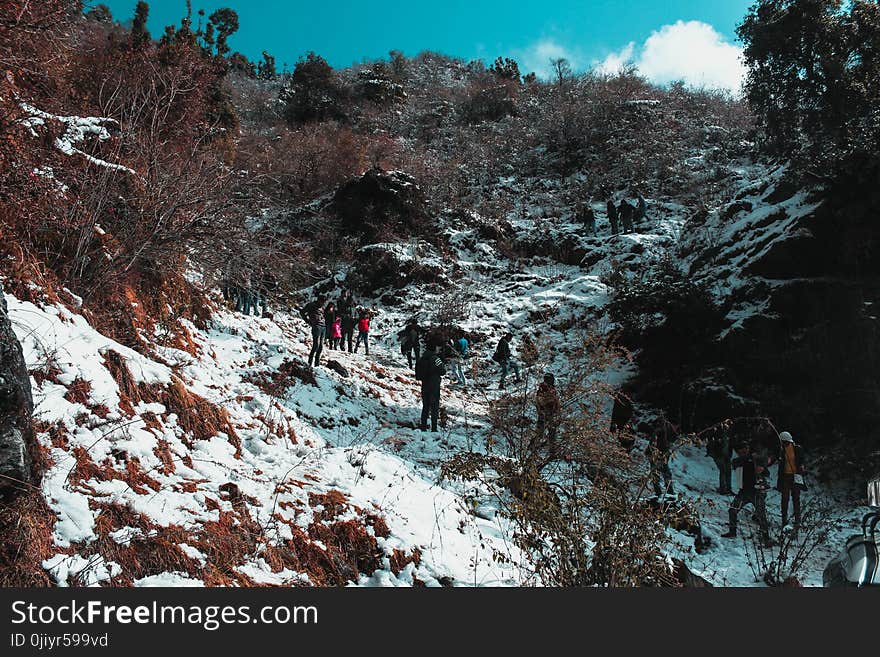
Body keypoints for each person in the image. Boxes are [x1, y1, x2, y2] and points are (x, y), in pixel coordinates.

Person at [721, 442, 772, 545]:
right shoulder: (744, 460)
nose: (742, 452)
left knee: (761, 515)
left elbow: (766, 473)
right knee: (733, 510)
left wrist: (761, 469)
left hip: (756, 492)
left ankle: (766, 538)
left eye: (744, 450)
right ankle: (732, 532)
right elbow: (734, 463)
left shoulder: (757, 460)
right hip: (744, 491)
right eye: (741, 450)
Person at [775, 431, 806, 532]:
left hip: (795, 476)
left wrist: (802, 467)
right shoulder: (781, 450)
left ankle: (798, 520)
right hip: (785, 477)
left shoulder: (798, 449)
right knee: (785, 499)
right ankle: (784, 520)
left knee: (796, 498)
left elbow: (801, 461)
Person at [415, 338, 446, 432]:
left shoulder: (421, 359)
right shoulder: (436, 359)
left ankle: (423, 426)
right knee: (434, 407)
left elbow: (418, 375)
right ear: (434, 349)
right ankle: (434, 428)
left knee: (425, 406)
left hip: (424, 384)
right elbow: (443, 371)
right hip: (434, 385)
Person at [648, 416, 676, 498]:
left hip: (656, 454)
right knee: (664, 473)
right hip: (658, 454)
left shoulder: (661, 430)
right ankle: (668, 493)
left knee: (657, 474)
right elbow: (657, 443)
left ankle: (660, 493)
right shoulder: (662, 430)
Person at [534, 373, 562, 457]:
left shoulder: (550, 388)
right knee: (543, 433)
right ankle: (534, 450)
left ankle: (552, 452)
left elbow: (554, 401)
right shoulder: (543, 389)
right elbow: (541, 401)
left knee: (550, 433)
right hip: (545, 414)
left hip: (549, 414)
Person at [300, 295, 326, 368]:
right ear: (319, 300)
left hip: (323, 326)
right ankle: (309, 363)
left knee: (320, 346)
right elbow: (302, 312)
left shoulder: (322, 308)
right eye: (322, 301)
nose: (323, 303)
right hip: (316, 326)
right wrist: (308, 321)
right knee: (316, 346)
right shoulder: (311, 305)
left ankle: (317, 365)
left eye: (324, 302)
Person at [706, 426, 733, 495]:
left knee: (728, 471)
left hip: (726, 456)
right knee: (723, 471)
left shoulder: (728, 435)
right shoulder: (717, 433)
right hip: (719, 456)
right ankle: (723, 489)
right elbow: (711, 443)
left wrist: (730, 454)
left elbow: (730, 445)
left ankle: (728, 489)